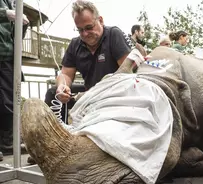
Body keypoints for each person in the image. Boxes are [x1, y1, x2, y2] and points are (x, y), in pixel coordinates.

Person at [36, 1, 130, 165]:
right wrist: (62, 86)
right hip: (89, 94)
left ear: (100, 20)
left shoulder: (113, 35)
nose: (85, 34)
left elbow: (127, 71)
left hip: (114, 94)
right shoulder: (75, 44)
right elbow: (65, 73)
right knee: (53, 93)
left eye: (89, 27)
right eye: (80, 30)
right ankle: (58, 143)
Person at [0, 0, 29, 160]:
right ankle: (7, 142)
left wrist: (22, 25)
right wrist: (4, 14)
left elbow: (12, 34)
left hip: (8, 55)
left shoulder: (10, 2)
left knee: (9, 99)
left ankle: (8, 141)